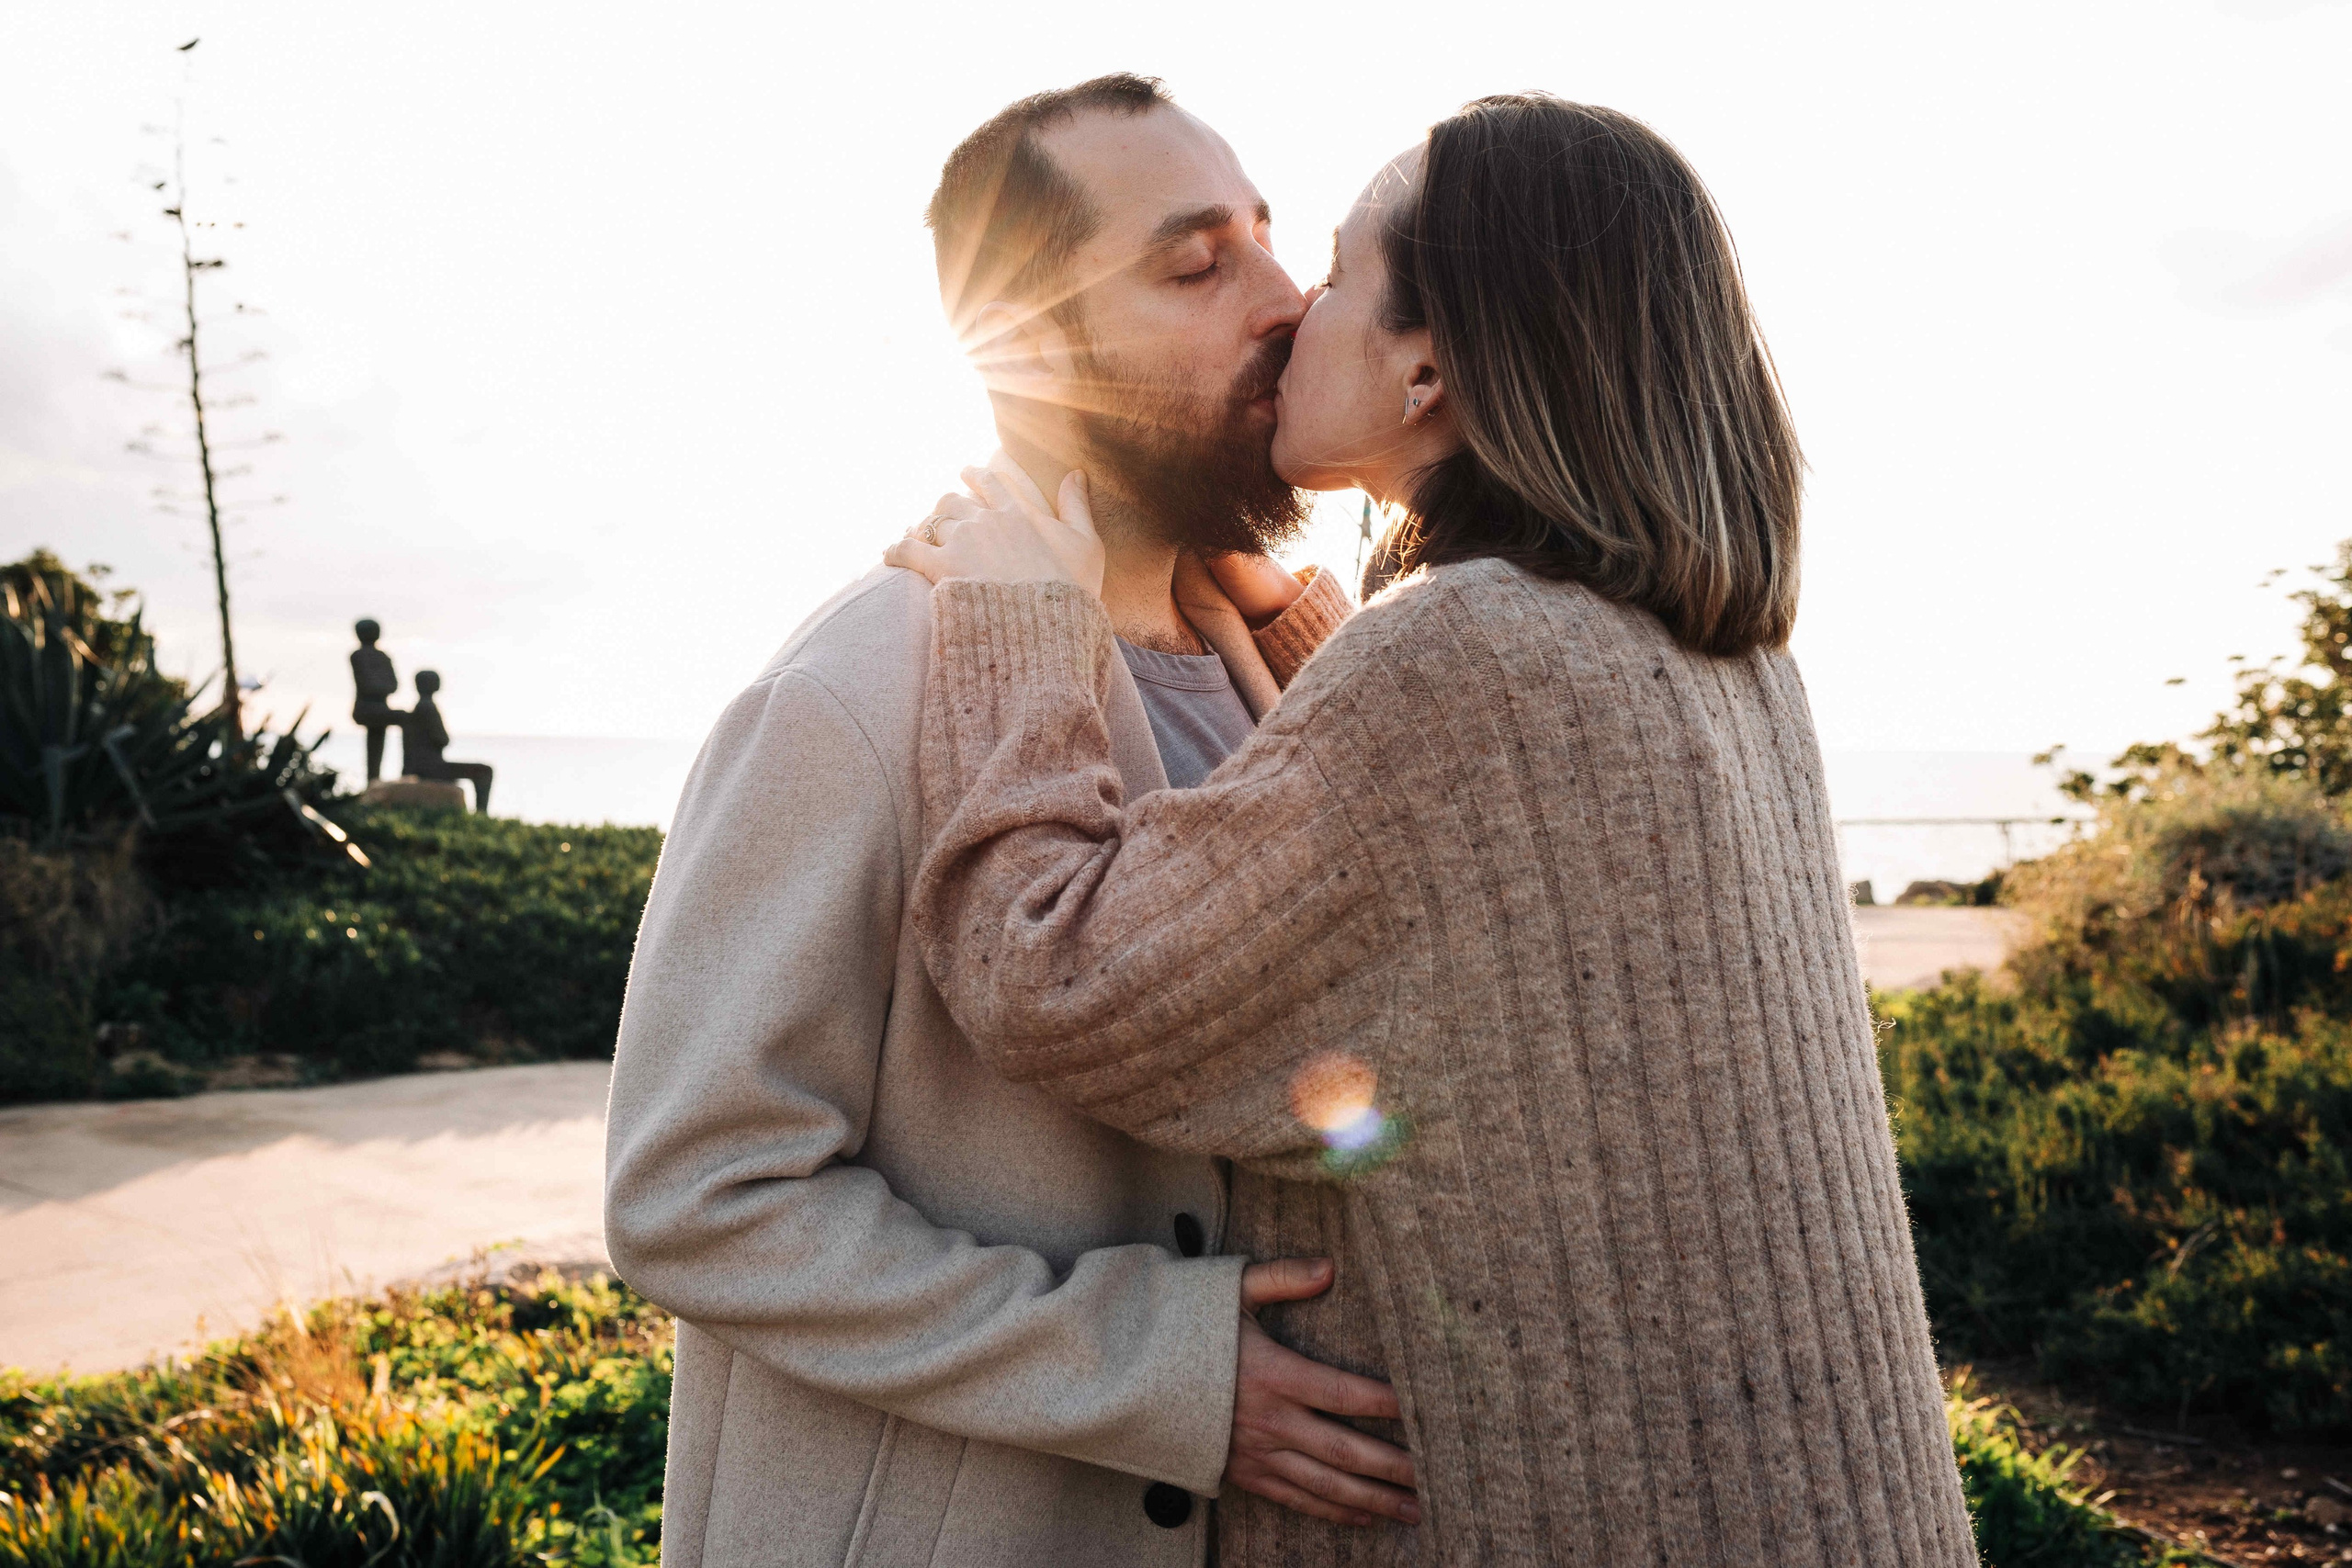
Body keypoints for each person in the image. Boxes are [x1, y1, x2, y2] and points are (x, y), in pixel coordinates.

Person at [885, 95, 1976, 1566]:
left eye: (1329, 272)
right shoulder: (1712, 657)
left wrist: (1020, 616)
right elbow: (1464, 906)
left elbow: (1056, 969)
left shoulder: (1465, 662)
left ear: (1430, 368)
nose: (1289, 312)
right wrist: (1317, 624)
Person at [601, 75, 1416, 1568]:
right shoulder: (858, 685)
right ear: (1033, 348)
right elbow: (692, 1192)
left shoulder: (1266, 650)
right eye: (1195, 265)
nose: (1287, 302)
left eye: (1268, 241)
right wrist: (1148, 1365)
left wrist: (1302, 627)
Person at [398, 670, 494, 813]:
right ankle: (481, 814)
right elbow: (442, 739)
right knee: (484, 771)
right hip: (430, 767)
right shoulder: (427, 707)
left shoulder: (421, 706)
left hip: (424, 765)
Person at [348, 619, 401, 784]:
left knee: (377, 743)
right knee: (403, 720)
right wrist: (380, 687)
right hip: (366, 708)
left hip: (381, 707)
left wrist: (379, 687)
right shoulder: (358, 655)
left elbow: (393, 685)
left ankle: (375, 780)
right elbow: (367, 685)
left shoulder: (383, 656)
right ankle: (373, 780)